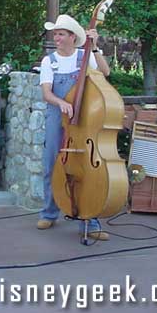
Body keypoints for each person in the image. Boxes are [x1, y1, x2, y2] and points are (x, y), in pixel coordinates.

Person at [37, 14, 111, 240]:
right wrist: (62, 103)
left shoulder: (85, 56)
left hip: (83, 121)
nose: (56, 37)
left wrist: (95, 46)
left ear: (72, 36)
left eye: (60, 34)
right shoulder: (49, 61)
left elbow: (106, 73)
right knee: (52, 163)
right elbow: (47, 93)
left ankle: (91, 220)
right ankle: (49, 212)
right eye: (55, 34)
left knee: (87, 168)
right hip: (57, 117)